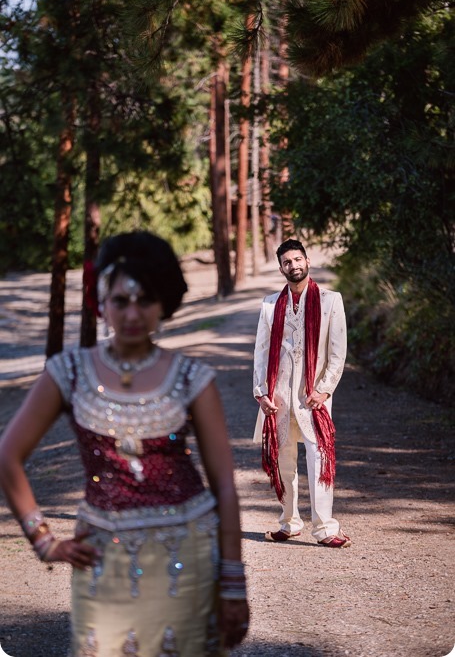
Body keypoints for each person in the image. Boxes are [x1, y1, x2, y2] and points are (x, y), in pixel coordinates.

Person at [0, 230, 249, 656]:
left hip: (187, 557)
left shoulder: (192, 378)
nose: (133, 313)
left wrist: (232, 580)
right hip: (103, 563)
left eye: (146, 299)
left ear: (164, 303)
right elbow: (7, 455)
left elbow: (224, 486)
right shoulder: (69, 372)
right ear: (102, 302)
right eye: (120, 300)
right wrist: (43, 540)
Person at [253, 238, 351, 548]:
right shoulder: (270, 304)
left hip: (313, 395)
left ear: (307, 262)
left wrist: (323, 390)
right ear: (280, 267)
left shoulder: (330, 300)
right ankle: (289, 523)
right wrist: (261, 391)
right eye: (287, 262)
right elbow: (261, 350)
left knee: (319, 457)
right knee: (284, 458)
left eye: (298, 259)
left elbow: (338, 353)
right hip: (279, 394)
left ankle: (325, 529)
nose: (293, 265)